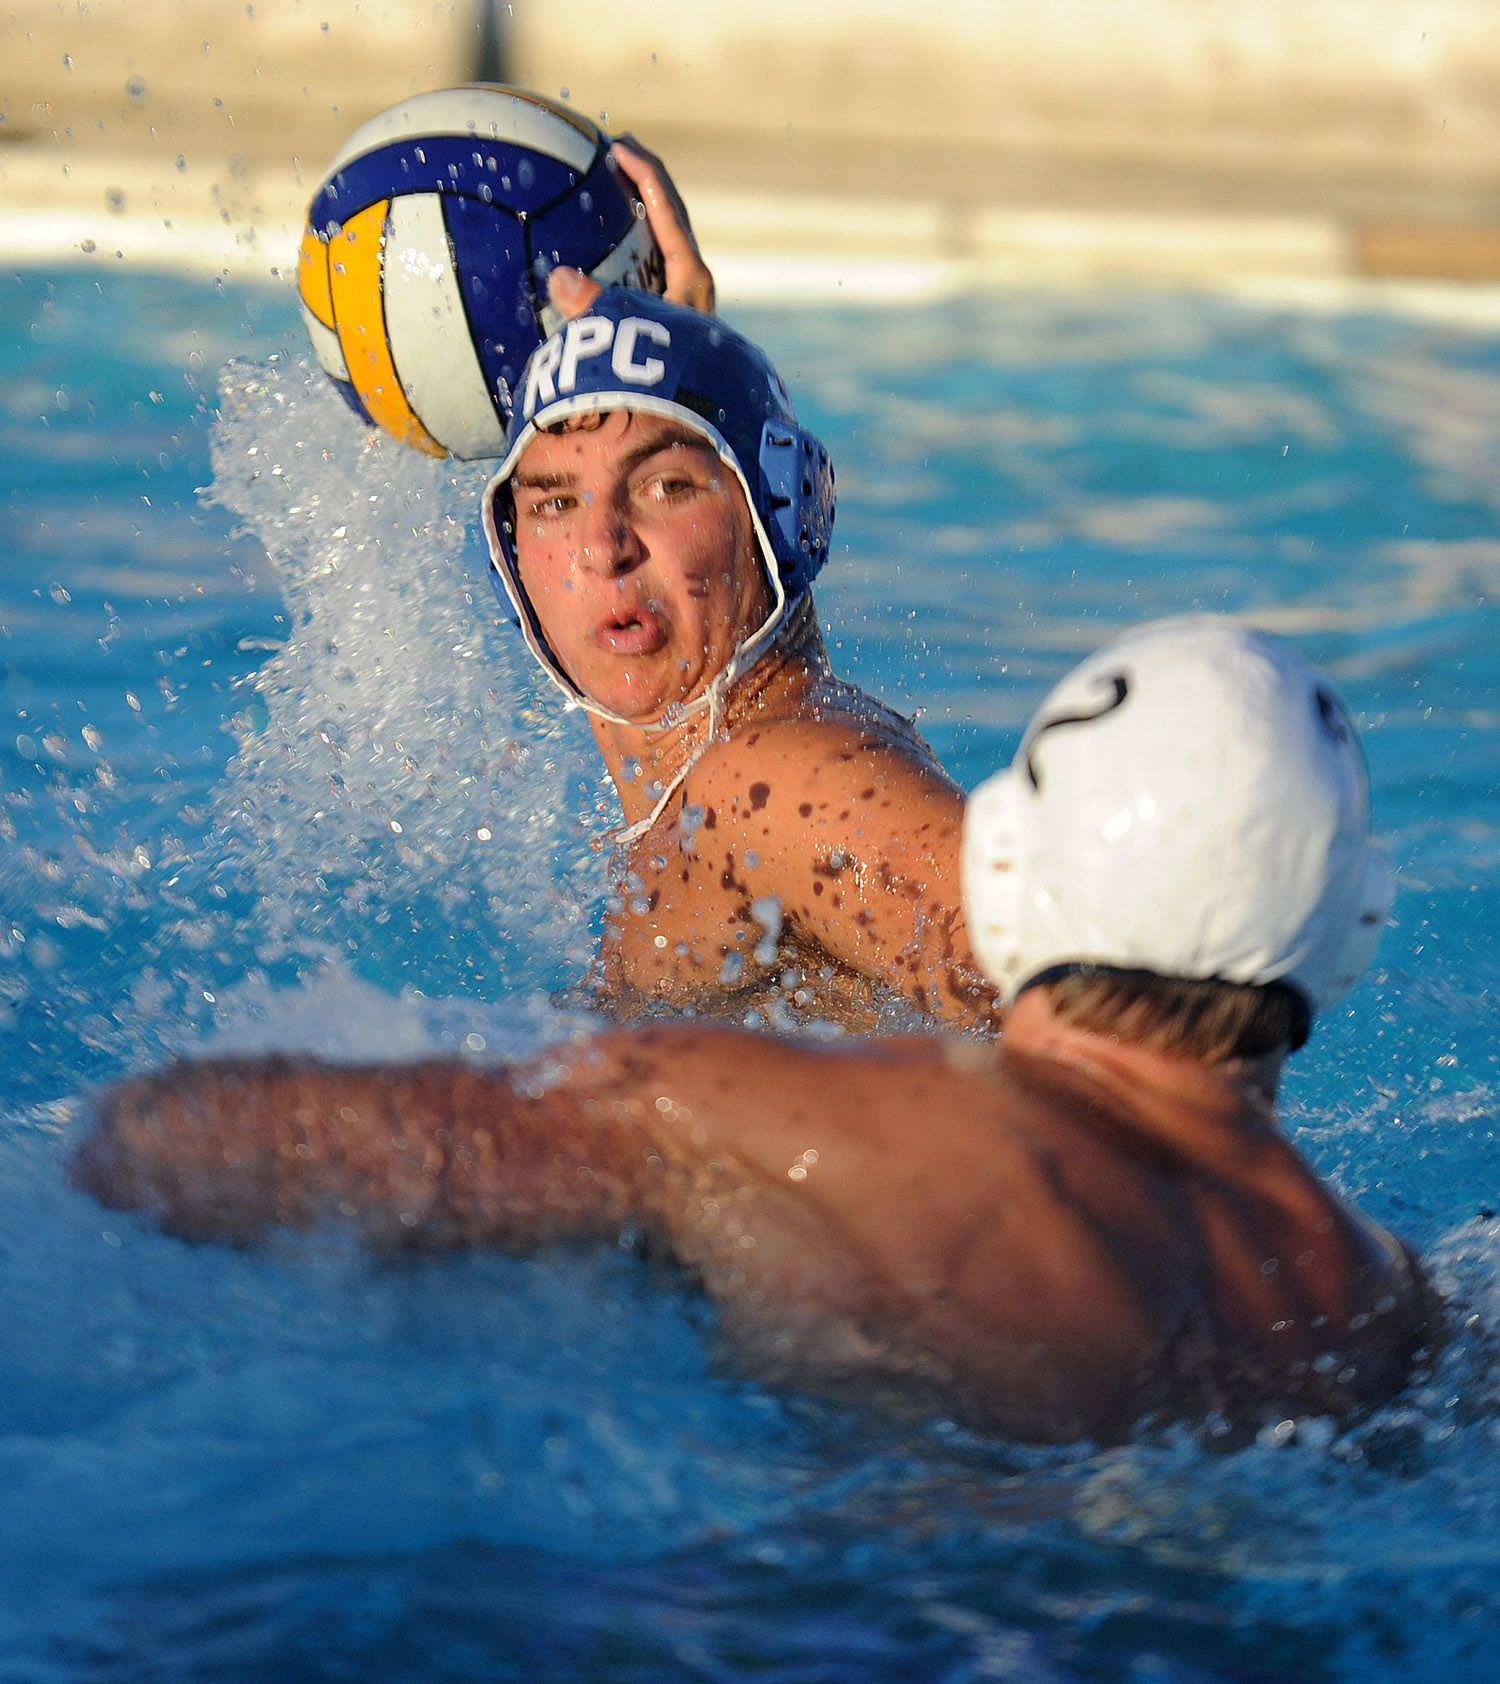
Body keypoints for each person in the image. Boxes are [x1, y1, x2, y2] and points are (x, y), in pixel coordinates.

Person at [74, 618, 1435, 1445]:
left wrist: (112, 1127)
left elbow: (223, 1150)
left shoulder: (790, 1114)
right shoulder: (1396, 1307)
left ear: (1006, 868)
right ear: (1355, 929)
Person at [483, 280, 995, 1032]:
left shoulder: (771, 789)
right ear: (510, 561)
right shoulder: (724, 788)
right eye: (555, 503)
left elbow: (1114, 1010)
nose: (601, 548)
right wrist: (676, 346)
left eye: (666, 486)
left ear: (778, 517)